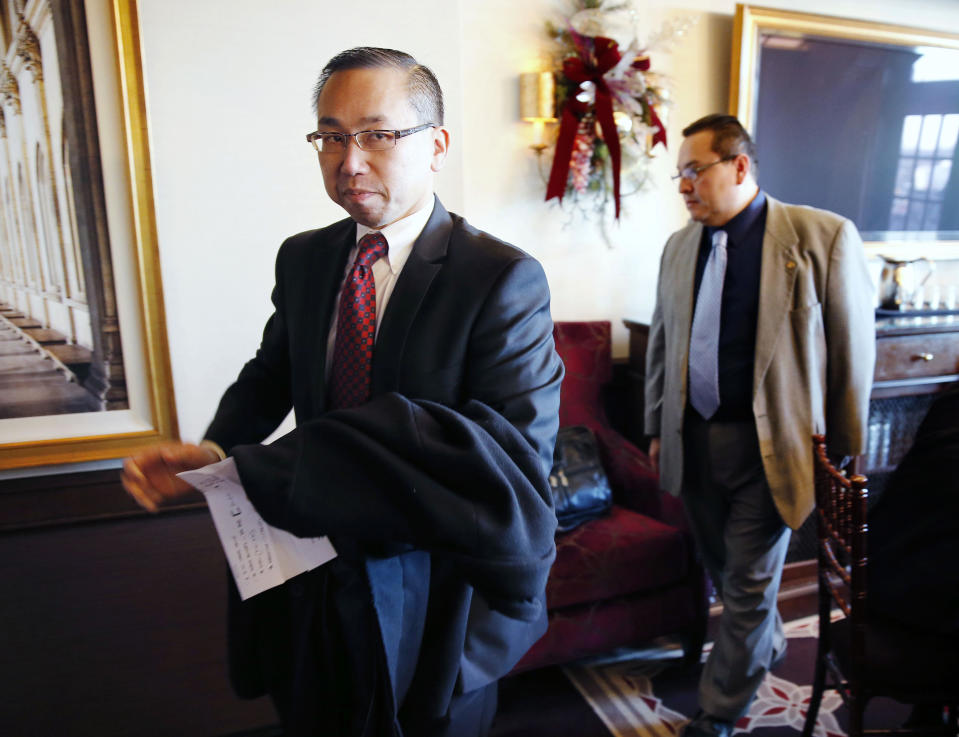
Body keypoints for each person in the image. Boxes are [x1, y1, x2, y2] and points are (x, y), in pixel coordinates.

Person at [121, 47, 563, 737]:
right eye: (331, 135)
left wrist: (292, 466)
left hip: (431, 586)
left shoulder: (499, 278)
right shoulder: (305, 257)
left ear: (436, 144)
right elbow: (272, 371)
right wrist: (210, 449)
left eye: (378, 134)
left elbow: (510, 458)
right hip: (309, 565)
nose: (349, 160)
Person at [644, 113, 875, 737]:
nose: (684, 185)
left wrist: (846, 450)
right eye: (680, 174)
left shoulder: (820, 236)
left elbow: (854, 351)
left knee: (747, 584)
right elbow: (663, 345)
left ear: (739, 167)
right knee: (726, 572)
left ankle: (719, 712)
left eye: (695, 171)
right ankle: (760, 645)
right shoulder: (678, 247)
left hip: (772, 450)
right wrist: (656, 427)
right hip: (693, 444)